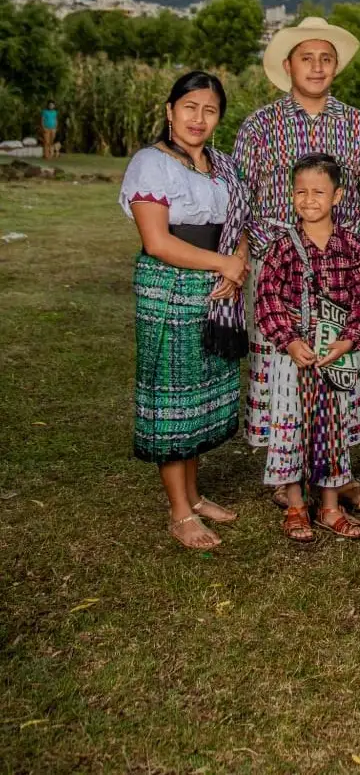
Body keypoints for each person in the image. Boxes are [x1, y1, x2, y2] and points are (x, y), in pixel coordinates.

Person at [234, 16, 360, 516]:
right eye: (307, 57)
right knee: (285, 364)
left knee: (332, 364)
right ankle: (289, 476)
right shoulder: (260, 125)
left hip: (338, 271)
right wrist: (270, 247)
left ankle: (333, 471)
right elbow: (241, 195)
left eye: (326, 58)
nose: (317, 67)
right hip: (278, 267)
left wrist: (342, 248)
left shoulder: (358, 125)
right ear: (287, 65)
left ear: (335, 66)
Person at [119, 71, 250, 550]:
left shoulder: (225, 166)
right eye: (190, 107)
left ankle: (194, 496)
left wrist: (235, 269)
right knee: (173, 395)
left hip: (218, 288)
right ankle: (179, 511)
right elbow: (156, 241)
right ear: (170, 110)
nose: (199, 118)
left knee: (200, 390)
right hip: (171, 288)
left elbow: (237, 227)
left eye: (210, 109)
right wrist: (227, 265)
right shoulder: (151, 164)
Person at [255, 153, 360, 541]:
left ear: (337, 196)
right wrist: (288, 341)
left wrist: (348, 339)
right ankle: (294, 505)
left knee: (333, 428)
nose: (308, 199)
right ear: (291, 195)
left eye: (318, 192)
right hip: (295, 357)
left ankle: (329, 506)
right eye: (300, 192)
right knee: (291, 427)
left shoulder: (352, 247)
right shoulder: (281, 247)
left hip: (335, 355)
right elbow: (267, 297)